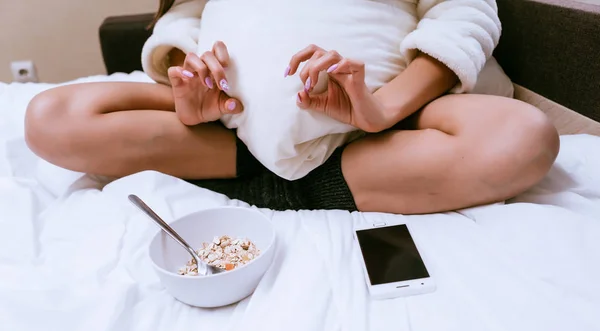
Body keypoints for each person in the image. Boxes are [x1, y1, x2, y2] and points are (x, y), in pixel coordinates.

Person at [24, 0, 560, 215]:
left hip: (374, 128)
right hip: (227, 128)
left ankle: (295, 183)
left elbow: (463, 14)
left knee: (523, 136)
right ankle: (279, 176)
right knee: (50, 118)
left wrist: (382, 109)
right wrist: (189, 78)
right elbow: (182, 17)